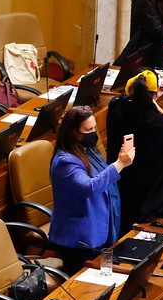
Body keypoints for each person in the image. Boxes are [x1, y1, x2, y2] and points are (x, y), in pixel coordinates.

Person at [49, 106, 135, 274]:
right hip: (80, 239)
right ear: (73, 132)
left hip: (100, 229)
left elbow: (103, 177)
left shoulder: (88, 151)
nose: (93, 133)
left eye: (94, 128)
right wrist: (119, 164)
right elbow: (89, 187)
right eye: (88, 130)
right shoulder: (65, 162)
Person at [106, 70, 163, 234]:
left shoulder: (116, 108)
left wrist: (149, 98)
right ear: (154, 94)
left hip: (120, 190)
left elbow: (123, 100)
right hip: (151, 199)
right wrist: (155, 103)